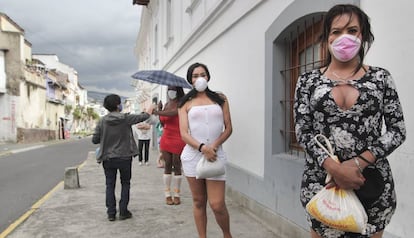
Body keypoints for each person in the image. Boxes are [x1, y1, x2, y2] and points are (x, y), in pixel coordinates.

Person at [293, 4, 406, 238]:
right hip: (323, 183)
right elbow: (303, 130)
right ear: (326, 39)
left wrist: (356, 164)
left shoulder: (381, 78)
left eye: (352, 30)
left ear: (362, 35)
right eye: (336, 31)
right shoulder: (308, 81)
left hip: (370, 182)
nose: (344, 37)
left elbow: (397, 130)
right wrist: (334, 168)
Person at [178, 62, 233, 238]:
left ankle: (227, 234)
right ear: (190, 80)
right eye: (195, 76)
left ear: (208, 76)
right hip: (192, 156)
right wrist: (202, 147)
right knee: (199, 201)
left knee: (217, 204)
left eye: (202, 74)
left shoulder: (220, 98)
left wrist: (213, 146)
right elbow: (184, 133)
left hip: (215, 155)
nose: (199, 78)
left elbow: (229, 127)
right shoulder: (185, 103)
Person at [92, 94, 155, 221]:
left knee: (110, 184)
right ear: (117, 105)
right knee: (125, 183)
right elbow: (143, 117)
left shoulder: (102, 121)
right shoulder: (126, 118)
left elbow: (95, 140)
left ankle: (111, 213)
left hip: (108, 158)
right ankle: (123, 211)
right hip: (125, 157)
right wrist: (151, 108)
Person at [153, 86, 186, 205]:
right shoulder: (166, 105)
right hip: (166, 138)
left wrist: (157, 111)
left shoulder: (182, 103)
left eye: (173, 90)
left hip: (178, 138)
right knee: (167, 165)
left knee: (177, 164)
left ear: (178, 91)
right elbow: (163, 122)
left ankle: (177, 193)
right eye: (169, 90)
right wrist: (160, 110)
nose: (170, 92)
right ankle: (167, 194)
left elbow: (173, 113)